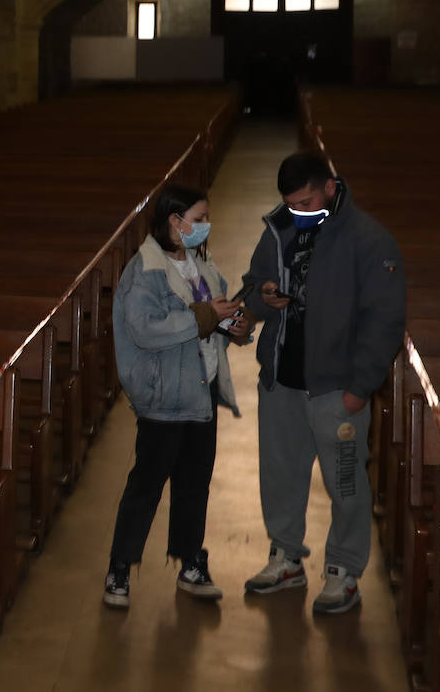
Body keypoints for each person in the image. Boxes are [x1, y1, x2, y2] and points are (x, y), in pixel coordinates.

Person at [242, 152, 406, 613]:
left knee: (345, 483)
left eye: (307, 201)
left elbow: (386, 321)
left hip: (338, 389)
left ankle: (344, 571)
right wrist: (263, 297)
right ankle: (286, 556)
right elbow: (253, 283)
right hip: (283, 379)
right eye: (291, 204)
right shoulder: (280, 229)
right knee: (280, 475)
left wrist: (361, 387)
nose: (299, 212)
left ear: (330, 188)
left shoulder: (369, 240)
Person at [103, 184, 252, 609]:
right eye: (199, 218)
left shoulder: (202, 266)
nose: (205, 226)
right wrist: (206, 316)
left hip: (201, 396)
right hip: (164, 399)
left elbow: (219, 312)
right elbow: (146, 329)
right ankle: (119, 569)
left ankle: (190, 562)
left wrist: (236, 327)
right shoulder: (144, 269)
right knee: (146, 487)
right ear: (175, 221)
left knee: (194, 485)